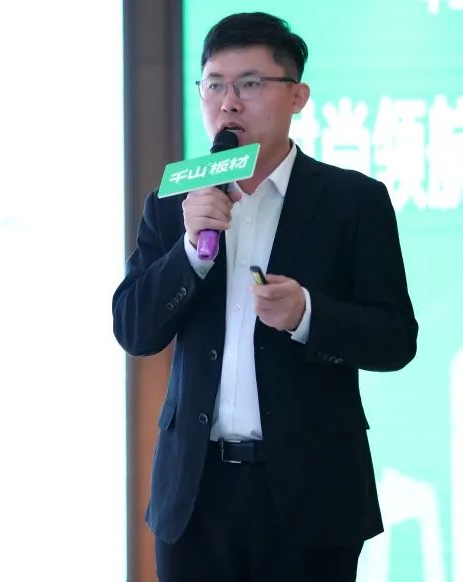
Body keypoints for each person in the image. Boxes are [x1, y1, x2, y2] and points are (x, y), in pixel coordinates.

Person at [112, 12, 417, 582]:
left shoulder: (354, 202)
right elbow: (133, 329)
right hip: (195, 497)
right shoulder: (175, 200)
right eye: (214, 85)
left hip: (311, 494)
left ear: (297, 96)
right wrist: (190, 252)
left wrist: (309, 315)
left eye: (249, 84)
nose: (228, 102)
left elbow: (396, 338)